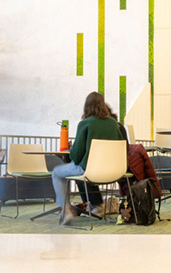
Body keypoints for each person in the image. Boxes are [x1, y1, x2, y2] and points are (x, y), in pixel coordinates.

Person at [52, 92, 124, 225]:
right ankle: (98, 205)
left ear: (86, 107)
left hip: (91, 170)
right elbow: (122, 147)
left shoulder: (85, 123)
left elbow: (76, 156)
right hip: (114, 171)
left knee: (57, 172)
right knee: (81, 172)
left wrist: (71, 151)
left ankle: (65, 209)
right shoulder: (114, 124)